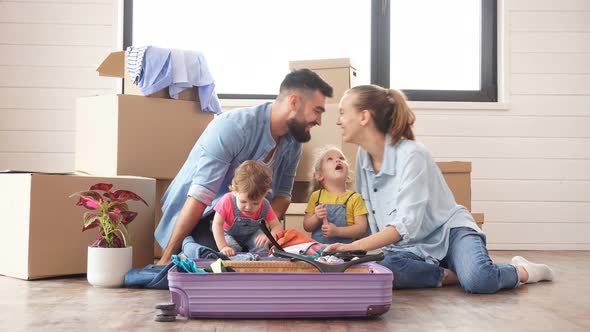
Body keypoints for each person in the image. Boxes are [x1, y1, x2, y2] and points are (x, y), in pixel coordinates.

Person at [326, 84, 554, 293]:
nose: (338, 121)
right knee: (380, 266)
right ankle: (452, 274)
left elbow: (406, 225)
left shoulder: (412, 154)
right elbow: (372, 222)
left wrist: (355, 247)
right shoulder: (362, 159)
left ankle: (522, 270)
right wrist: (347, 250)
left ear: (364, 116)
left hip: (450, 234)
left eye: (343, 112)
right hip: (409, 248)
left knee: (479, 280)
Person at [155, 69, 333, 264]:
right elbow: (200, 196)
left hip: (251, 220)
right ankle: (184, 252)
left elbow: (283, 195)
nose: (319, 121)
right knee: (216, 258)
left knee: (276, 255)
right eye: (317, 111)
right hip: (210, 216)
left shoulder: (293, 143)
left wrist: (265, 231)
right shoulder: (232, 127)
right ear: (294, 102)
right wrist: (165, 259)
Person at [212, 160, 282, 256]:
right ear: (235, 191)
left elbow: (276, 226)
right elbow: (217, 224)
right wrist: (223, 247)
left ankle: (259, 268)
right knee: (232, 250)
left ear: (264, 195)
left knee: (262, 248)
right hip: (229, 234)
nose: (248, 207)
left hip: (252, 234)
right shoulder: (227, 200)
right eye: (243, 202)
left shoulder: (265, 204)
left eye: (255, 203)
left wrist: (269, 237)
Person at [303, 146, 368, 244]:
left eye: (341, 158)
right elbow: (307, 226)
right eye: (330, 159)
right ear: (319, 175)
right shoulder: (316, 196)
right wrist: (316, 217)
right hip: (319, 253)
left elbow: (361, 229)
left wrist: (337, 231)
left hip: (347, 253)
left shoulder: (355, 198)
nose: (338, 160)